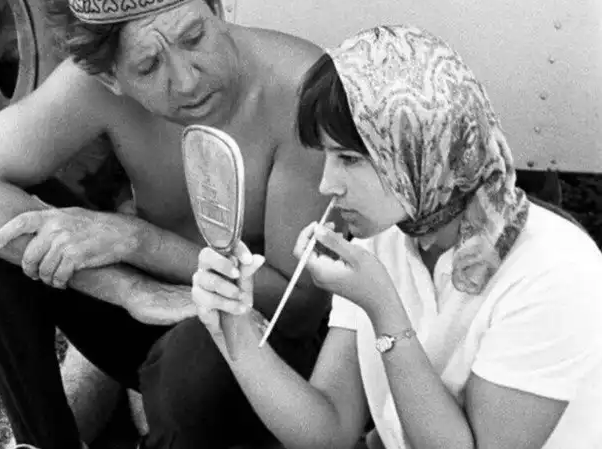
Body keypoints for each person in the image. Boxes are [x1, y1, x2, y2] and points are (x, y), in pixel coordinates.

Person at [0, 0, 336, 448]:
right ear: (110, 77)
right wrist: (131, 290)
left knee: (197, 351)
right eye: (148, 66)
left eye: (194, 38)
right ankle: (42, 442)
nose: (187, 80)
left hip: (262, 344)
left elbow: (299, 309)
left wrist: (137, 240)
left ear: (215, 7)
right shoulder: (93, 84)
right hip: (157, 310)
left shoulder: (300, 90)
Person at [192, 25, 602, 449]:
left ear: (421, 149)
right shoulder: (383, 239)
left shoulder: (554, 271)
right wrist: (233, 324)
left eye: (349, 158)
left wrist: (383, 309)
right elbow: (328, 430)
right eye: (327, 156)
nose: (327, 185)